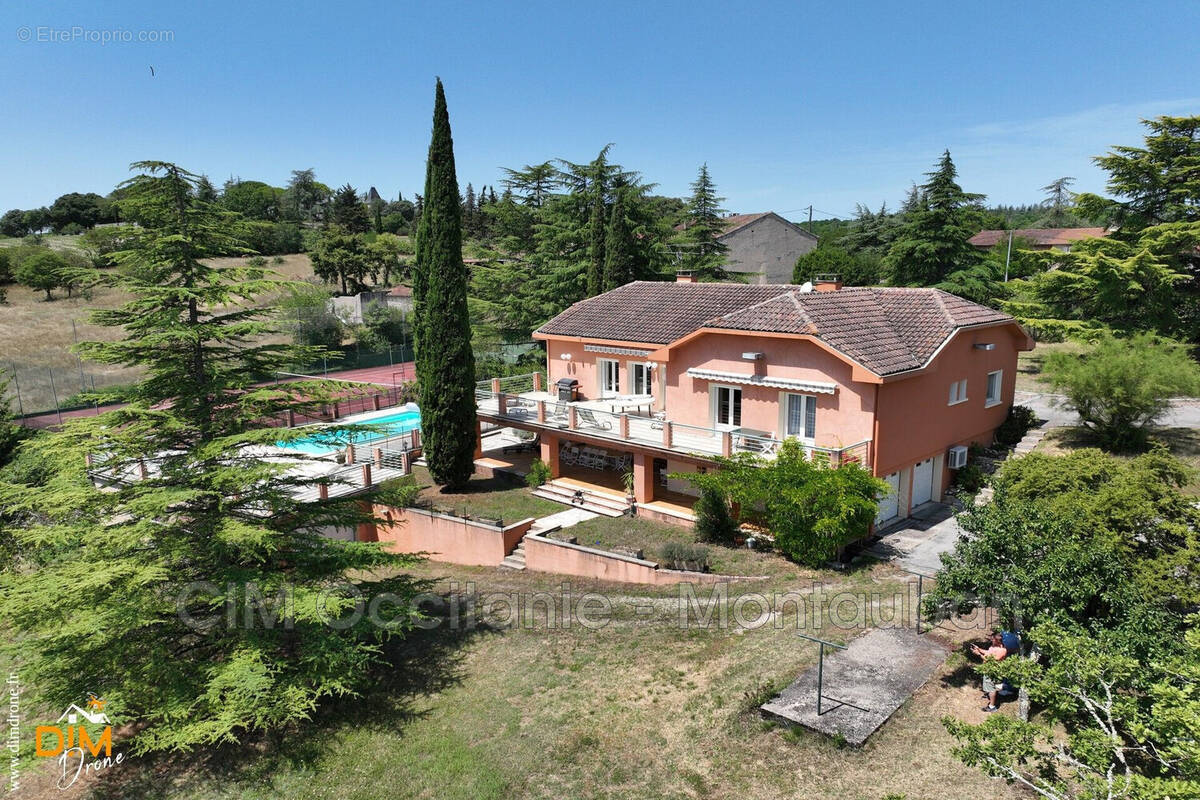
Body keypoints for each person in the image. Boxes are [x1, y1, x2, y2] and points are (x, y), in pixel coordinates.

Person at [970, 631, 1008, 712]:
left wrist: (979, 654)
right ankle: (990, 697)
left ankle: (992, 706)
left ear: (997, 640)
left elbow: (991, 661)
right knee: (989, 686)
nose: (991, 640)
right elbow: (988, 653)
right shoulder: (994, 646)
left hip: (992, 671)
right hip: (987, 669)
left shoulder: (1002, 650)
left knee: (992, 688)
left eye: (993, 639)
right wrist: (979, 649)